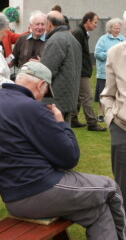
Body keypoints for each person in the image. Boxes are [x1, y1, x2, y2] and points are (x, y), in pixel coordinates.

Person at [0, 61, 126, 240]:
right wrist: (61, 122)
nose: (42, 98)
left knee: (99, 211)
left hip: (12, 195)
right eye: (46, 93)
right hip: (40, 190)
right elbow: (70, 157)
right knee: (111, 188)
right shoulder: (33, 108)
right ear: (41, 85)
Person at [41, 11, 82, 123]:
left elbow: (46, 71)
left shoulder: (56, 40)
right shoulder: (72, 39)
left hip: (55, 101)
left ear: (49, 24)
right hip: (68, 98)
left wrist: (38, 66)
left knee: (53, 137)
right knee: (64, 135)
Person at [101, 40, 126, 209]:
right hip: (122, 129)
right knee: (123, 190)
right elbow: (107, 93)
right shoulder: (115, 52)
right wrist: (111, 120)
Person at [71, 12, 106, 131]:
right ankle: (92, 123)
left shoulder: (82, 33)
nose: (96, 25)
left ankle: (73, 120)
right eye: (95, 22)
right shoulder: (79, 33)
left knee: (79, 97)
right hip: (80, 71)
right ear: (88, 21)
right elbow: (74, 53)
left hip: (82, 70)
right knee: (87, 97)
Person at [94, 18, 125, 122]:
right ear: (110, 28)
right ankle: (100, 113)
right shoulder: (103, 39)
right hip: (104, 73)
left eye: (119, 28)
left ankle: (118, 112)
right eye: (116, 28)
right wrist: (111, 55)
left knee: (119, 93)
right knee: (103, 94)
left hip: (120, 72)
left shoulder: (123, 39)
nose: (117, 30)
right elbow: (97, 54)